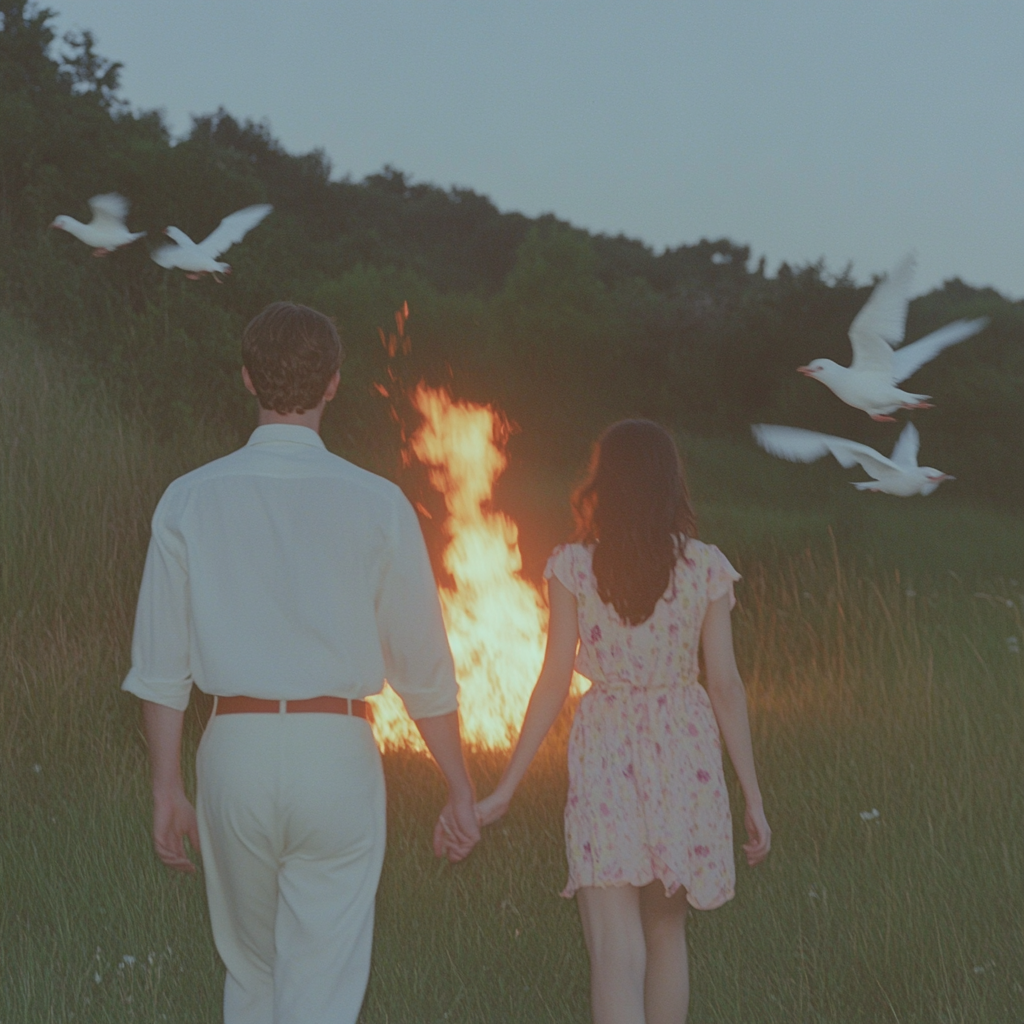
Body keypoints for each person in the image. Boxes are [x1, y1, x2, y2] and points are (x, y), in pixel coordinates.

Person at [123, 301, 479, 1024]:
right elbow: (423, 669)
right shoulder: (380, 505)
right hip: (336, 753)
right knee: (319, 986)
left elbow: (162, 668)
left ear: (248, 379)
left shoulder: (188, 500)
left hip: (235, 752)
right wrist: (459, 786)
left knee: (251, 972)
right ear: (334, 385)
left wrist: (167, 790)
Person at [474, 419, 770, 1024]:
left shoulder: (572, 568)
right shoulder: (707, 568)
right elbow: (724, 685)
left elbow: (555, 679)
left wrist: (507, 787)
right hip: (685, 751)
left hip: (607, 747)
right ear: (670, 485)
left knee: (615, 946)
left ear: (602, 484)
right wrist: (753, 796)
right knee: (665, 934)